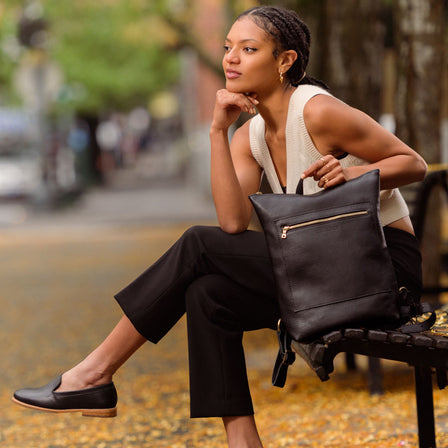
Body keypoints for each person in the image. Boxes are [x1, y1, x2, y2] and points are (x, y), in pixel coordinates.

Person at [12, 5, 427, 448]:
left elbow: (413, 163)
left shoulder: (318, 111)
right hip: (320, 266)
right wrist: (216, 132)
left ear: (285, 61)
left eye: (248, 49)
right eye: (228, 47)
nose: (231, 58)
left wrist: (356, 174)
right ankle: (242, 442)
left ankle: (94, 372)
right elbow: (232, 223)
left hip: (380, 268)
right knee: (206, 295)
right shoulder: (248, 136)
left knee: (196, 244)